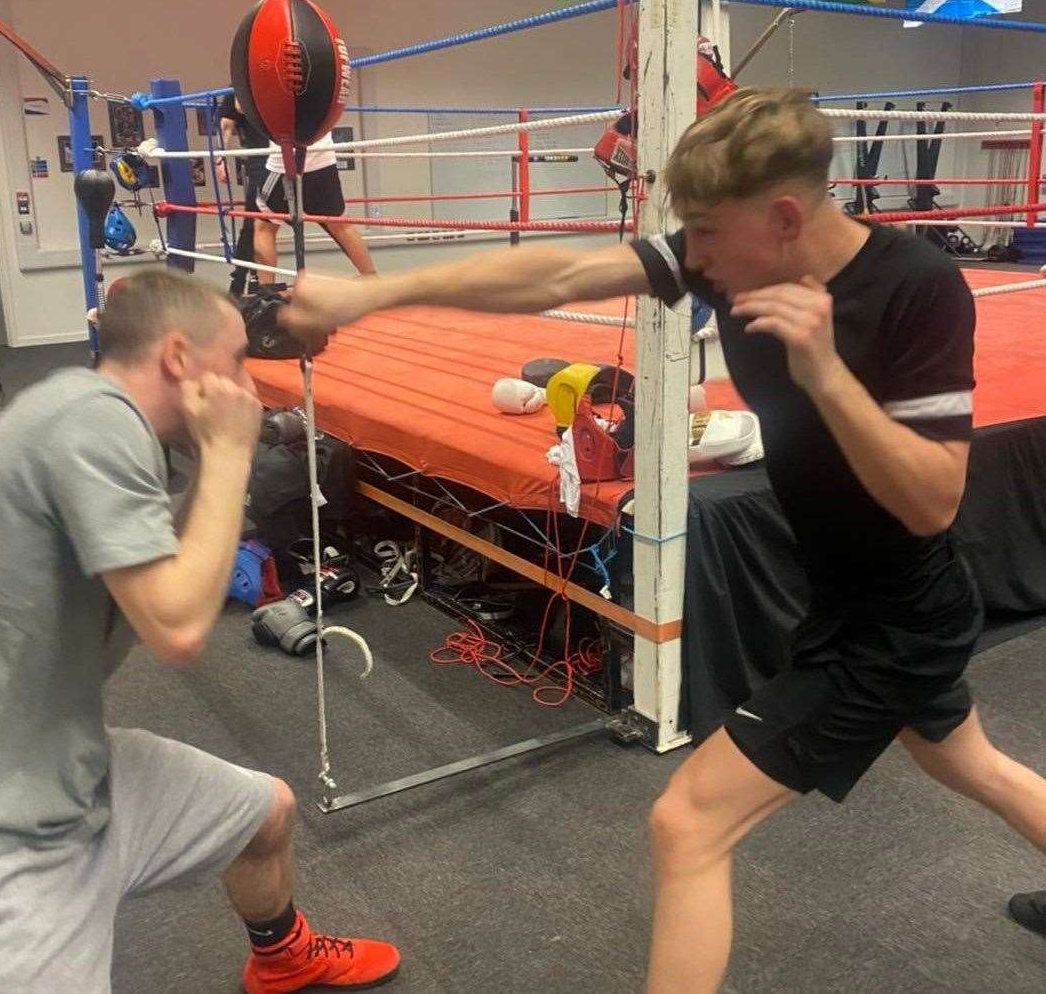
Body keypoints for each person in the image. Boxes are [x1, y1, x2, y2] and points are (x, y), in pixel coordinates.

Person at [281, 88, 1046, 992]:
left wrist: (825, 374)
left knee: (687, 825)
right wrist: (373, 292)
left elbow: (932, 501)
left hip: (895, 616)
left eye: (711, 235)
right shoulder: (729, 252)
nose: (696, 257)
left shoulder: (914, 288)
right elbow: (557, 278)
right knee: (969, 763)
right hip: (843, 590)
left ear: (787, 217)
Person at [0, 270, 398, 993]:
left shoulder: (90, 413)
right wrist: (230, 453)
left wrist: (214, 458)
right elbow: (176, 627)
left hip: (64, 759)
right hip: (0, 828)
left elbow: (168, 560)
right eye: (232, 358)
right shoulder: (92, 424)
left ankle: (281, 954)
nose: (242, 378)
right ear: (177, 357)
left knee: (262, 815)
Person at [255, 129, 375, 286]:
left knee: (265, 228)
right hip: (323, 160)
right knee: (341, 225)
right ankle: (371, 277)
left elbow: (240, 107)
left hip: (284, 162)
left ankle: (266, 291)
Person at [216, 97, 271, 296]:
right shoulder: (239, 87)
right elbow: (227, 125)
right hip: (264, 162)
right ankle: (246, 282)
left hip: (279, 156)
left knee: (258, 225)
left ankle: (248, 283)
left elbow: (227, 125)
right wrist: (220, 160)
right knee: (256, 225)